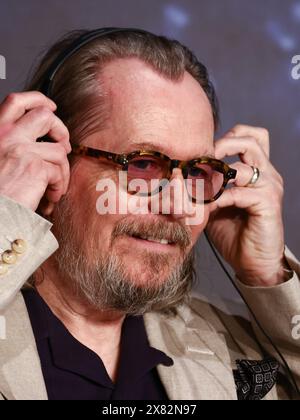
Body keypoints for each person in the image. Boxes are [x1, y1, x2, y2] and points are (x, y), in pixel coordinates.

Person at [0, 27, 299, 401]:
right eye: (142, 164)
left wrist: (267, 274)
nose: (178, 207)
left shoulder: (239, 354)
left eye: (197, 172)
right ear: (47, 156)